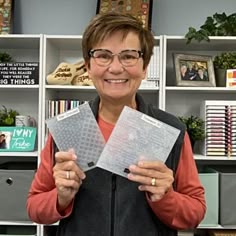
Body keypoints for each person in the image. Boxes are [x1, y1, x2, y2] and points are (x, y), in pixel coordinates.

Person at [26, 12, 206, 236]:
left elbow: (195, 212)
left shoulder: (171, 130)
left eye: (128, 56)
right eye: (103, 55)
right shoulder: (68, 127)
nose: (116, 68)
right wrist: (61, 197)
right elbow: (35, 209)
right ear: (88, 67)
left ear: (145, 67)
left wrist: (165, 196)